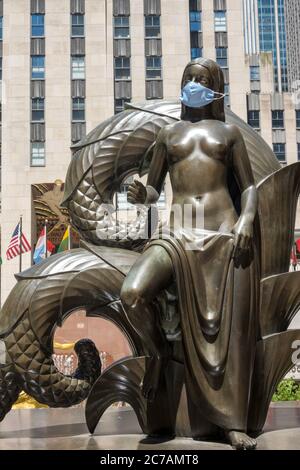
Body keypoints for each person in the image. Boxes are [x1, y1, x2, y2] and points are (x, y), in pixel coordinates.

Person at [120, 58, 258, 450]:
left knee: (228, 331)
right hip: (176, 231)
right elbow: (152, 189)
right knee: (132, 293)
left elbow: (248, 188)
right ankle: (158, 353)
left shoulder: (229, 134)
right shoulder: (168, 134)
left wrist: (246, 221)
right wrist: (140, 195)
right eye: (189, 78)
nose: (194, 84)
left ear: (215, 88)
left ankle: (232, 424)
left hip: (221, 233)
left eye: (202, 79)